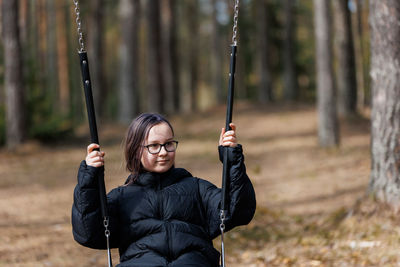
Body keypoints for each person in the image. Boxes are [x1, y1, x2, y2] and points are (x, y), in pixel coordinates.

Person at [72, 113, 256, 267]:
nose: (163, 152)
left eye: (168, 144)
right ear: (136, 150)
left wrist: (231, 160)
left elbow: (238, 210)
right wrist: (89, 178)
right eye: (153, 146)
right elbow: (88, 233)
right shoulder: (121, 197)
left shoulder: (197, 188)